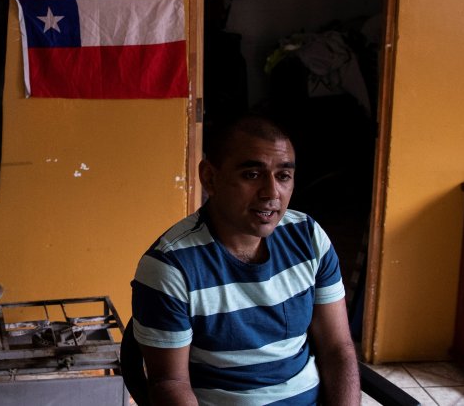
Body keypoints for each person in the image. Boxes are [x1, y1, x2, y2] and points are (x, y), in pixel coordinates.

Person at [131, 114, 360, 405]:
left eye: (283, 176)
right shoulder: (170, 267)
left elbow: (338, 348)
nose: (271, 193)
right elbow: (170, 383)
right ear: (210, 178)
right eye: (252, 175)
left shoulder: (309, 237)